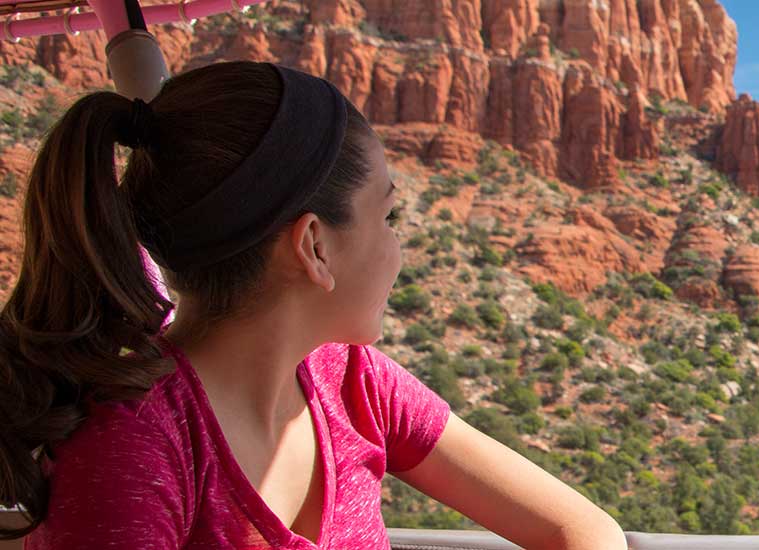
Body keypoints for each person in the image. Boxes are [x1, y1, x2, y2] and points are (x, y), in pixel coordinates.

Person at [0, 61, 624, 548]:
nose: (400, 251)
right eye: (389, 216)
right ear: (314, 246)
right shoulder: (134, 447)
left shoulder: (352, 380)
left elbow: (584, 532)